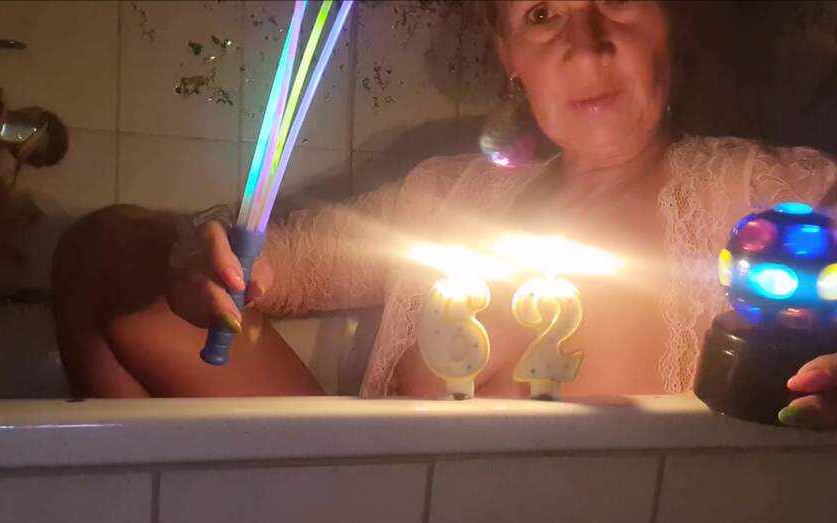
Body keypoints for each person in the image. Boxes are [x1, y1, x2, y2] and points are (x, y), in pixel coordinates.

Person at [52, 1, 837, 429]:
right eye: (542, 14)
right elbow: (262, 265)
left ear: (675, 19)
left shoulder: (773, 201)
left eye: (619, 1)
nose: (586, 44)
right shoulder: (444, 197)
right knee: (103, 252)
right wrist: (206, 267)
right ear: (507, 55)